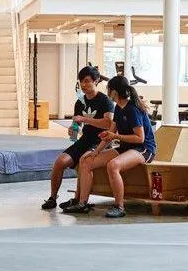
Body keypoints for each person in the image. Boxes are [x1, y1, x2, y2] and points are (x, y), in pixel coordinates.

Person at [64, 77, 155, 219]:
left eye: (108, 89)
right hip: (126, 147)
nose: (107, 92)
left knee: (113, 165)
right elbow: (110, 134)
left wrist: (115, 136)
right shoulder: (118, 108)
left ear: (114, 92)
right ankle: (82, 203)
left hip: (143, 149)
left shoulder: (132, 109)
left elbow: (140, 138)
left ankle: (119, 206)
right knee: (86, 161)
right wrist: (96, 151)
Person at [42, 66, 114, 210]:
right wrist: (73, 130)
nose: (83, 85)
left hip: (101, 141)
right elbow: (77, 125)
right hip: (85, 140)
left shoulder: (105, 100)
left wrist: (85, 119)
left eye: (87, 81)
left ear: (96, 81)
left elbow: (108, 123)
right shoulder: (80, 102)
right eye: (81, 81)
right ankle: (52, 198)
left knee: (83, 162)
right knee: (59, 162)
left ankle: (79, 200)